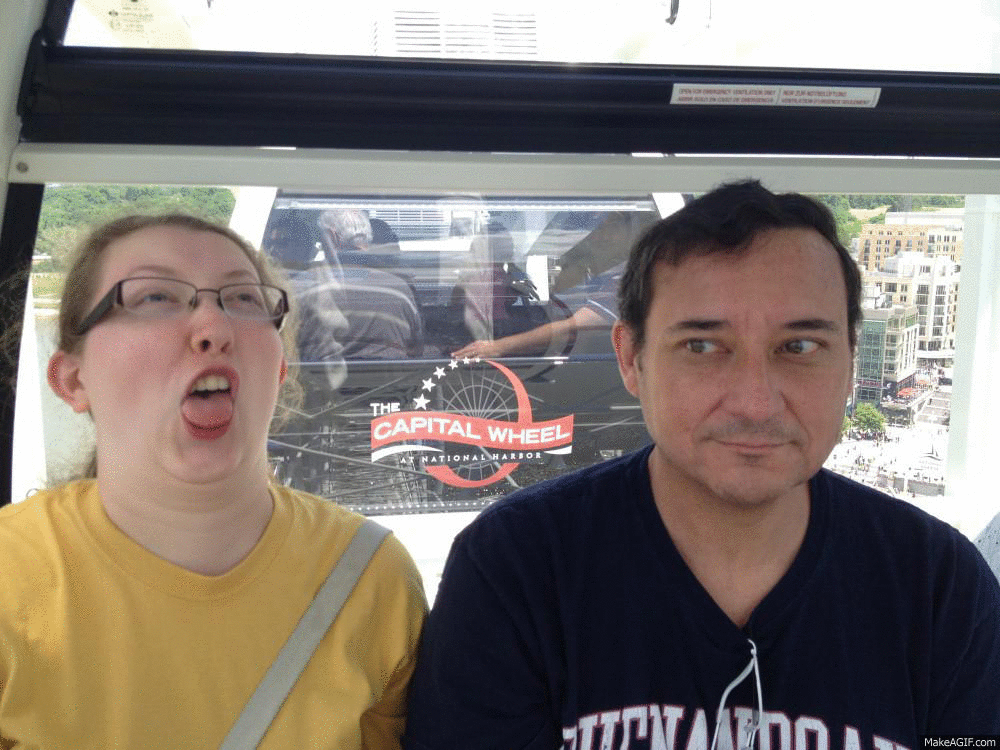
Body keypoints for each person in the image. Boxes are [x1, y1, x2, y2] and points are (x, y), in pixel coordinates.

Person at [403, 181, 1000, 749]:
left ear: (849, 362)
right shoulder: (517, 570)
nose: (755, 403)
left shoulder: (940, 590)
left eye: (799, 347)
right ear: (631, 359)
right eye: (702, 346)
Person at [0, 214, 426, 748]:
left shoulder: (372, 578)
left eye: (244, 299)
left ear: (279, 371)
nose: (214, 328)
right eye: (155, 297)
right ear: (72, 379)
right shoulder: (11, 577)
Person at [317, 209, 423, 361]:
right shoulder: (400, 288)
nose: (320, 247)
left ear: (332, 237)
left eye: (321, 240)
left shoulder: (309, 287)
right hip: (394, 375)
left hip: (326, 376)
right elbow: (417, 349)